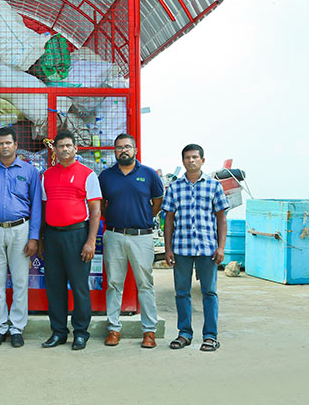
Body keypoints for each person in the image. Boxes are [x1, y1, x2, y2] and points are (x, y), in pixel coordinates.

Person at [0, 126, 42, 348]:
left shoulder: (30, 171)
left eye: (8, 143)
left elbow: (36, 207)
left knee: (20, 280)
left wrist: (34, 236)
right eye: (1, 143)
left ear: (16, 145)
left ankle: (16, 328)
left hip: (20, 230)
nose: (4, 147)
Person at [98, 133, 164, 348]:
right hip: (114, 235)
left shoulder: (149, 174)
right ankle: (114, 329)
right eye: (119, 147)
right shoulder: (106, 176)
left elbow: (157, 203)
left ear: (135, 150)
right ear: (114, 151)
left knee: (145, 284)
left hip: (141, 237)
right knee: (114, 284)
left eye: (127, 147)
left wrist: (142, 219)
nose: (123, 150)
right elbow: (101, 206)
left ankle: (149, 332)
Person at [162, 143, 229, 352]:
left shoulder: (213, 186)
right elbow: (169, 221)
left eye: (195, 157)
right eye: (187, 158)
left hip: (207, 249)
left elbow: (221, 219)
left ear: (202, 160)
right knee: (182, 293)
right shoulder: (174, 187)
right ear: (182, 161)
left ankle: (210, 336)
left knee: (209, 293)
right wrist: (168, 248)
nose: (191, 161)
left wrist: (221, 247)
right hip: (181, 248)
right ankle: (184, 333)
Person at [40, 130, 102, 350]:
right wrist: (40, 239)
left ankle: (81, 333)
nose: (64, 149)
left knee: (79, 287)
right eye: (60, 146)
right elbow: (44, 207)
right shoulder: (47, 175)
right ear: (54, 150)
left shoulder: (88, 174)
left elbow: (95, 211)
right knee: (54, 287)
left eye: (68, 145)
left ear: (76, 148)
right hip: (53, 236)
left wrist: (90, 241)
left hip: (77, 235)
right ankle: (58, 332)